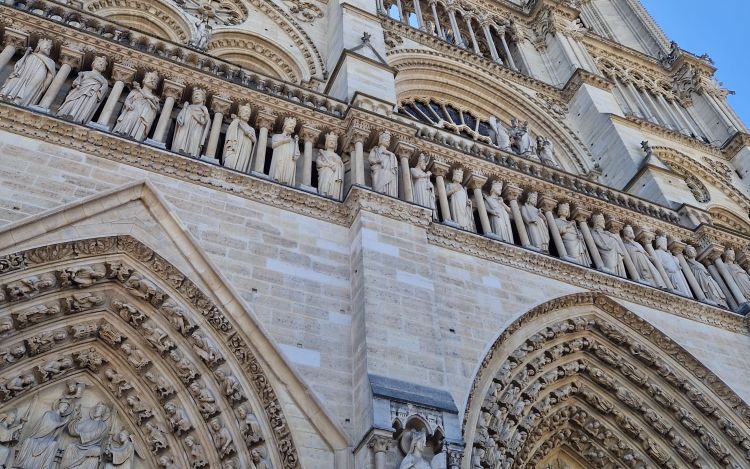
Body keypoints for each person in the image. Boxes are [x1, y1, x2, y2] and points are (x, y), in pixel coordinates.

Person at [0, 39, 56, 106]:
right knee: (16, 81)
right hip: (24, 73)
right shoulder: (30, 55)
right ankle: (7, 96)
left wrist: (44, 87)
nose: (48, 48)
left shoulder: (50, 62)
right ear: (39, 45)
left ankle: (19, 102)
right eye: (46, 45)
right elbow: (18, 65)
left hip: (39, 74)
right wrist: (26, 53)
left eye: (49, 48)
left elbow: (50, 75)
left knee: (31, 87)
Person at [56, 56, 109, 124]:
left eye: (103, 64)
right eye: (99, 62)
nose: (101, 64)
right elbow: (76, 81)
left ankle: (79, 118)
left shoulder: (104, 80)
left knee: (86, 106)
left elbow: (103, 90)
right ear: (93, 63)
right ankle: (65, 113)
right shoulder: (84, 73)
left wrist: (99, 92)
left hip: (92, 95)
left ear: (104, 68)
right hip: (79, 91)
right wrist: (77, 84)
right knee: (72, 102)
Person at [113, 71, 160, 141]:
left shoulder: (155, 98)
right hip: (134, 110)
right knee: (130, 118)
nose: (152, 81)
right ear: (144, 80)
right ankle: (122, 132)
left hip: (145, 115)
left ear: (156, 86)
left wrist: (151, 99)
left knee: (141, 125)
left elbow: (157, 109)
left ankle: (137, 138)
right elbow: (128, 100)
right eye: (151, 78)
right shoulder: (135, 91)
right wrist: (128, 104)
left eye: (155, 80)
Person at [172, 88, 210, 157]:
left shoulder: (204, 111)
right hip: (184, 129)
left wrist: (206, 112)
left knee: (194, 140)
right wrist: (184, 108)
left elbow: (204, 122)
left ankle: (192, 154)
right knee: (181, 139)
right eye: (194, 95)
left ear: (203, 98)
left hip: (196, 130)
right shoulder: (188, 107)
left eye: (198, 94)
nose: (195, 96)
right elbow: (180, 120)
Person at [222, 104, 256, 172]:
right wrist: (236, 121)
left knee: (240, 164)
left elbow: (254, 140)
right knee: (231, 161)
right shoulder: (236, 122)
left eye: (248, 113)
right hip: (235, 145)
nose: (247, 114)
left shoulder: (251, 129)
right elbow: (230, 133)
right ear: (240, 113)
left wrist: (249, 135)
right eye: (245, 111)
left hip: (245, 148)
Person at [269, 117, 300, 185]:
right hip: (280, 158)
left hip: (289, 162)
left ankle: (286, 181)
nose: (292, 126)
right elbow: (273, 145)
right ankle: (276, 178)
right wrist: (283, 141)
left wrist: (296, 142)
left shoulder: (293, 142)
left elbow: (296, 156)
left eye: (293, 126)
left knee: (287, 172)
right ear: (285, 124)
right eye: (291, 124)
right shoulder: (276, 136)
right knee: (279, 166)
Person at [368, 131, 398, 197]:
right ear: (380, 139)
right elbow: (370, 159)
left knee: (388, 181)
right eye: (385, 138)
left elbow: (393, 168)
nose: (387, 141)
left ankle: (388, 193)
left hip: (387, 172)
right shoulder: (375, 150)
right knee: (376, 187)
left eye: (388, 140)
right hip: (378, 170)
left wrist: (389, 153)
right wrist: (378, 161)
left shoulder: (391, 154)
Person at [316, 132, 344, 199]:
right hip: (325, 172)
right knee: (325, 182)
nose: (332, 142)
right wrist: (326, 165)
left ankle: (334, 195)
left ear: (336, 144)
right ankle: (323, 193)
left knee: (333, 184)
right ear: (326, 143)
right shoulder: (323, 153)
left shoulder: (337, 156)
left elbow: (341, 166)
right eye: (330, 141)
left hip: (334, 174)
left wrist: (336, 165)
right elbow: (318, 162)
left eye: (333, 141)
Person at [410, 153, 436, 218]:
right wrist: (426, 175)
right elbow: (416, 175)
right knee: (420, 201)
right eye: (424, 164)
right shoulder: (413, 169)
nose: (425, 166)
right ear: (420, 162)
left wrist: (431, 186)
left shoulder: (424, 173)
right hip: (419, 186)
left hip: (426, 190)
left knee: (426, 202)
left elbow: (429, 184)